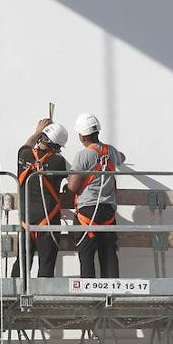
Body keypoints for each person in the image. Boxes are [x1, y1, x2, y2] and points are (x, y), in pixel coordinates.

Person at [11, 118, 70, 279]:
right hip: (48, 222)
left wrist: (38, 131)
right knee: (46, 264)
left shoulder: (23, 155)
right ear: (57, 146)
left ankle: (15, 295)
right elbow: (73, 182)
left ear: (42, 137)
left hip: (26, 221)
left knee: (21, 262)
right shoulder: (59, 162)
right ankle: (42, 298)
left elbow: (28, 143)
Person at [66, 112, 123, 278]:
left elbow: (72, 186)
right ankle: (112, 293)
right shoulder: (110, 151)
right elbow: (122, 157)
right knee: (109, 254)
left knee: (87, 256)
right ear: (97, 131)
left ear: (81, 136)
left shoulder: (84, 155)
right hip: (108, 212)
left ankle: (89, 295)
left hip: (87, 212)